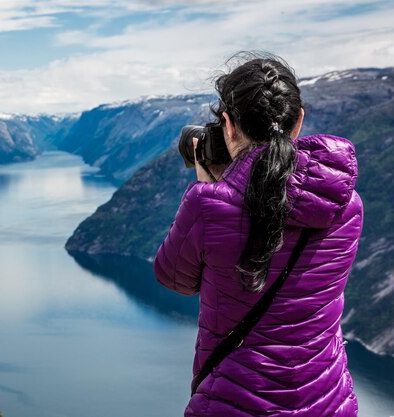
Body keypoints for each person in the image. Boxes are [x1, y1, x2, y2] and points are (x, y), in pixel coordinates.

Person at [153, 53, 362, 417]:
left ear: (228, 125)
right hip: (326, 402)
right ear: (299, 120)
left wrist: (210, 188)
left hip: (234, 404)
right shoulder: (347, 205)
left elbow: (174, 278)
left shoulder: (209, 206)